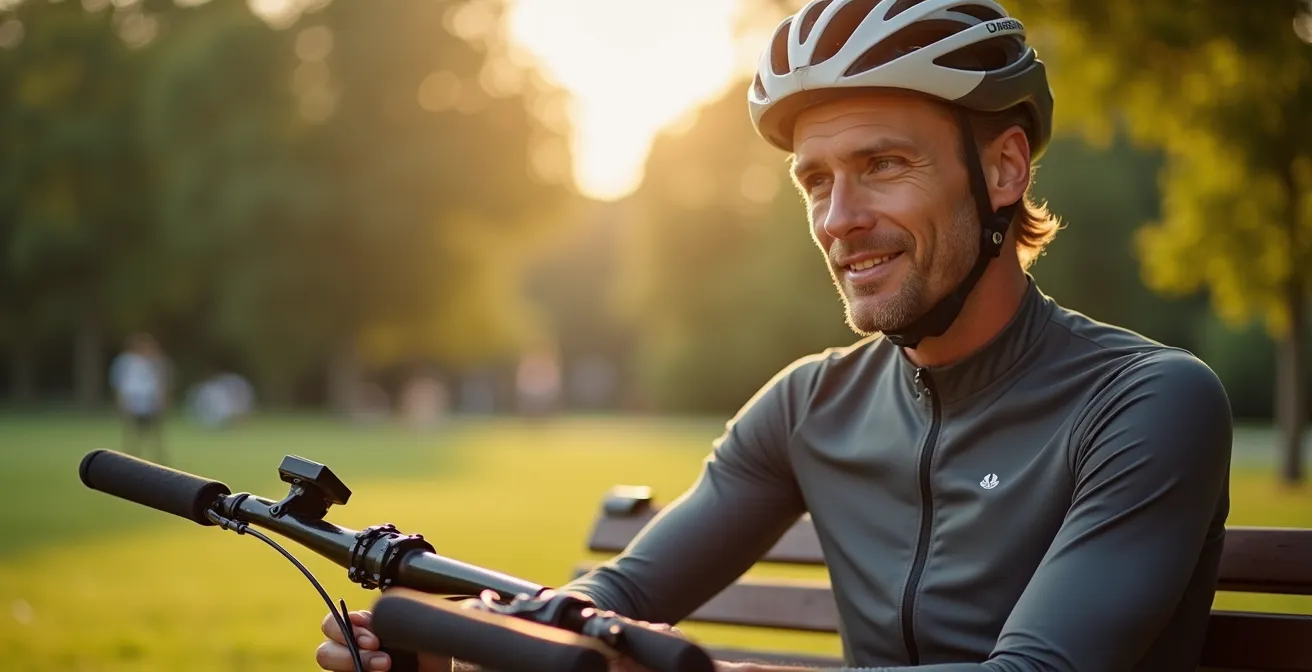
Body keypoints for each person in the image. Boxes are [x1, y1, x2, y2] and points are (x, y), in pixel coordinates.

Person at [314, 0, 1233, 670]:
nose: (839, 218)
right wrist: (465, 638)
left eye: (881, 165)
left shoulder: (1147, 402)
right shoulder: (809, 406)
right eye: (816, 181)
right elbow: (620, 598)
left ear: (1001, 169)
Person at [109, 332, 171, 463]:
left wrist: (162, 399)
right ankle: (131, 456)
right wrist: (121, 400)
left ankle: (158, 457)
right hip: (133, 398)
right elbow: (120, 382)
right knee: (132, 430)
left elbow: (161, 381)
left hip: (149, 399)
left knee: (154, 431)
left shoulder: (156, 361)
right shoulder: (125, 361)